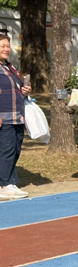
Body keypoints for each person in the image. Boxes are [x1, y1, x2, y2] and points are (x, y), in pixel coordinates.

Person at [0, 34, 30, 200]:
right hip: (4, 116)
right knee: (6, 150)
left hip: (17, 116)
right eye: (2, 46)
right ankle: (4, 184)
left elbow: (13, 88)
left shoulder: (10, 67)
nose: (6, 49)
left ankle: (9, 181)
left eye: (8, 46)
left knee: (15, 149)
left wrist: (24, 90)